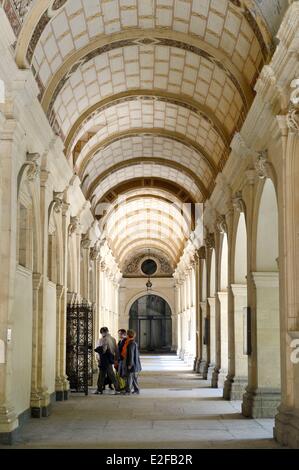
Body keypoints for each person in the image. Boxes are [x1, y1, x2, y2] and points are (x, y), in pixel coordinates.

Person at [94, 327, 120, 394]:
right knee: (111, 374)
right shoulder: (113, 339)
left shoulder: (103, 339)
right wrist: (116, 359)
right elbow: (116, 350)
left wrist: (98, 355)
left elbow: (103, 350)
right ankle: (117, 389)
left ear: (102, 332)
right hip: (110, 359)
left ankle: (99, 389)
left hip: (104, 360)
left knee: (102, 375)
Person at [123, 329, 142, 395]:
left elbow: (131, 354)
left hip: (132, 364)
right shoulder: (133, 343)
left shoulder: (131, 344)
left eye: (126, 334)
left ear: (128, 335)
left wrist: (130, 364)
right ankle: (136, 390)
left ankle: (128, 391)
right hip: (134, 364)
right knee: (133, 377)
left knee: (129, 378)